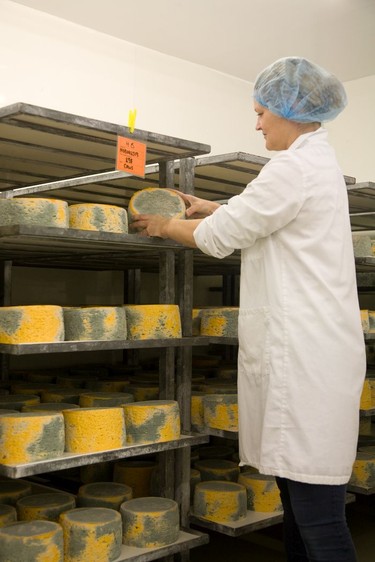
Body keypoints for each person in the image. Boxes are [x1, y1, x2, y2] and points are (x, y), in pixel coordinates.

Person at [131, 57, 366, 562]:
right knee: (299, 507)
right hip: (308, 355)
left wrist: (165, 226)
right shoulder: (309, 164)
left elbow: (223, 238)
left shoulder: (292, 168)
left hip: (306, 363)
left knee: (319, 517)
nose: (256, 123)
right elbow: (261, 216)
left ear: (288, 112)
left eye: (260, 112)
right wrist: (210, 205)